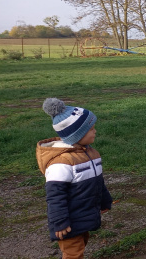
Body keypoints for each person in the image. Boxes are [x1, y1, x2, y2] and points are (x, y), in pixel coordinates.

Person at [38, 98, 112, 259]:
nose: (95, 131)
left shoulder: (91, 154)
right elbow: (55, 196)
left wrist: (105, 201)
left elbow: (98, 182)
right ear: (76, 135)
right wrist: (59, 222)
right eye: (91, 129)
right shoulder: (61, 163)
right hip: (69, 221)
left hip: (83, 215)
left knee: (81, 244)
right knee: (73, 253)